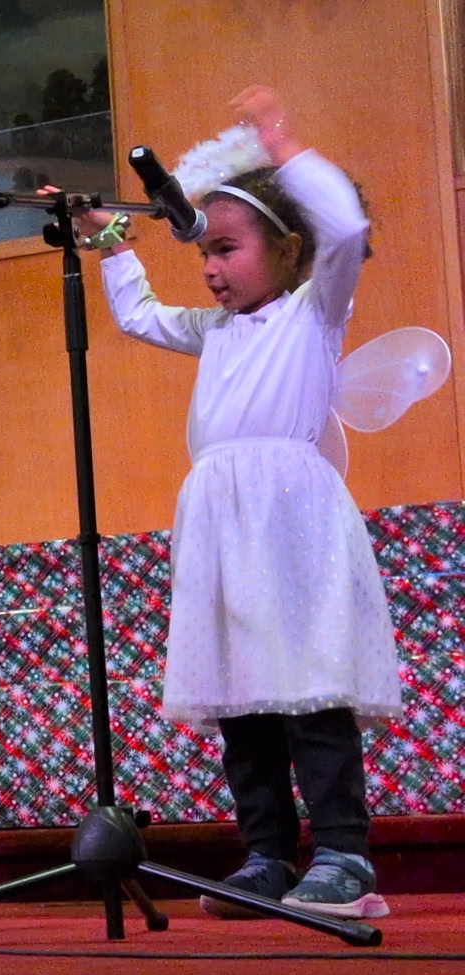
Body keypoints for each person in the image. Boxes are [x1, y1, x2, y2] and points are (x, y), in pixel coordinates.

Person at [82, 86, 398, 919]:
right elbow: (142, 318)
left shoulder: (314, 315)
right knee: (243, 694)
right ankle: (266, 853)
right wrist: (113, 246)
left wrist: (283, 148)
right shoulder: (215, 333)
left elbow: (349, 230)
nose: (212, 269)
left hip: (292, 518)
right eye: (205, 255)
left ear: (288, 249)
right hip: (220, 524)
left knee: (311, 688)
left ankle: (343, 854)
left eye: (227, 249)